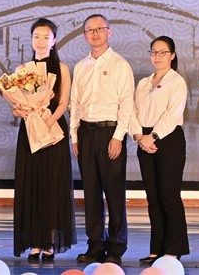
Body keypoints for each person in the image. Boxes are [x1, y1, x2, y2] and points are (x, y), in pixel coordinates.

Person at [70, 14, 134, 266]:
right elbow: (75, 104)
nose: (95, 33)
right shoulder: (81, 66)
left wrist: (118, 137)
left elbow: (126, 103)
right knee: (91, 192)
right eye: (89, 30)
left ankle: (116, 246)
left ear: (109, 31)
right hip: (86, 133)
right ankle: (95, 243)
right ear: (84, 35)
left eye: (99, 29)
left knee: (114, 192)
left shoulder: (120, 64)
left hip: (110, 133)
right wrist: (74, 137)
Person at [13, 18, 76, 262]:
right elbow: (16, 104)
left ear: (54, 40)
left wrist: (47, 122)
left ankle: (49, 241)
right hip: (30, 131)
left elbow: (63, 103)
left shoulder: (61, 68)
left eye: (46, 37)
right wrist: (20, 111)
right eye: (36, 36)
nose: (40, 41)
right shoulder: (23, 69)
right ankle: (34, 242)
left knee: (52, 184)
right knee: (32, 183)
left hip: (52, 129)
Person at [130, 36, 190, 265]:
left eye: (163, 52)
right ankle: (156, 249)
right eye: (154, 52)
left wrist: (153, 136)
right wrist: (139, 136)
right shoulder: (144, 83)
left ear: (172, 55)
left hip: (167, 139)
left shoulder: (177, 81)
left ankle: (173, 249)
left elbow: (172, 115)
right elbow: (132, 112)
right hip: (143, 139)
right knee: (153, 198)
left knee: (169, 196)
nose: (157, 56)